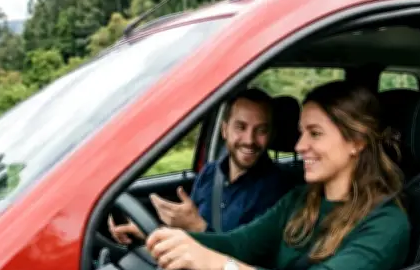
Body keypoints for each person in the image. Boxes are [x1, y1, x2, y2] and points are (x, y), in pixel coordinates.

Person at [145, 81, 411, 270]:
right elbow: (240, 244)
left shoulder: (386, 224)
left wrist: (217, 265)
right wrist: (166, 237)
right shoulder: (301, 199)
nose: (299, 145)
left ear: (356, 142)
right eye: (300, 132)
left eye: (314, 134)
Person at [108, 87, 292, 242]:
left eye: (261, 130)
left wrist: (198, 227)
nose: (249, 140)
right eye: (240, 127)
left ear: (272, 135)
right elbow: (190, 238)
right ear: (224, 130)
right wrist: (149, 233)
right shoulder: (210, 173)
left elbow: (250, 266)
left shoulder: (279, 190)